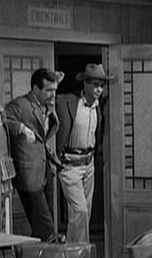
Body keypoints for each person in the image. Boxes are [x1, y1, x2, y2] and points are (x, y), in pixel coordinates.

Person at [4, 67, 65, 242]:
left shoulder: (47, 106)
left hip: (44, 169)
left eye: (55, 90)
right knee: (45, 226)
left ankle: (42, 254)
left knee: (43, 222)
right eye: (49, 90)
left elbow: (44, 134)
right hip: (28, 171)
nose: (53, 95)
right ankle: (52, 251)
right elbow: (2, 120)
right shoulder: (20, 105)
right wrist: (21, 128)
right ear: (36, 89)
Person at [55, 64, 112, 243]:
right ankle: (80, 253)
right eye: (95, 85)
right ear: (85, 84)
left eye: (101, 86)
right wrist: (55, 82)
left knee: (82, 216)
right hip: (70, 164)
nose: (99, 89)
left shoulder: (98, 106)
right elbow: (48, 102)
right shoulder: (67, 101)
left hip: (89, 164)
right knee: (80, 211)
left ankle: (74, 252)